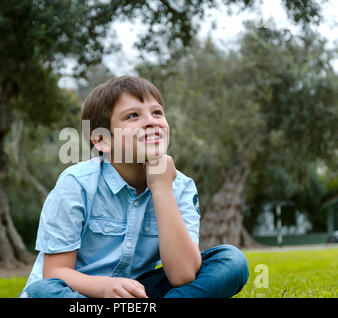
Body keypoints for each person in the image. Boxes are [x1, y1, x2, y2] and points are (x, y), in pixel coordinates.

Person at [19, 76, 249, 298]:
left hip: (137, 293)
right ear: (101, 139)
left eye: (157, 112)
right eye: (132, 116)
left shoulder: (180, 186)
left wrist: (161, 188)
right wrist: (106, 287)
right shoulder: (77, 183)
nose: (151, 121)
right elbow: (55, 272)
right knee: (41, 292)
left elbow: (183, 275)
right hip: (78, 292)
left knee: (231, 262)